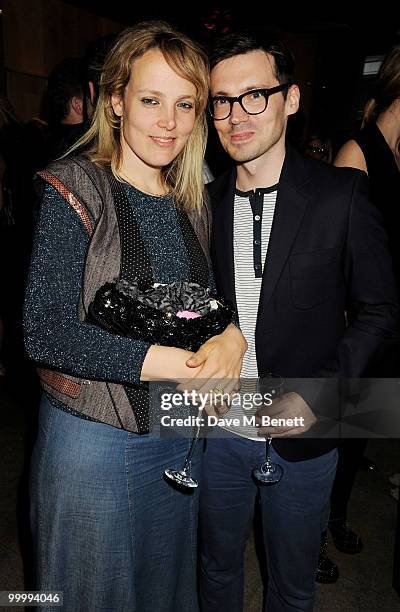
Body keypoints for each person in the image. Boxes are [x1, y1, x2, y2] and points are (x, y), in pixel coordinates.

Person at [24, 21, 246, 612]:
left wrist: (229, 335)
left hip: (175, 436)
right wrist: (163, 360)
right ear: (116, 99)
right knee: (88, 594)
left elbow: (200, 303)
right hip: (92, 437)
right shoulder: (75, 186)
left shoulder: (189, 203)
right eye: (150, 100)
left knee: (162, 592)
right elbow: (44, 330)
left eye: (185, 105)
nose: (168, 122)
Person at [197, 29, 399, 611]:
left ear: (290, 99)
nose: (236, 115)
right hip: (218, 436)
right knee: (214, 571)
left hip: (307, 437)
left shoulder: (342, 195)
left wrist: (322, 396)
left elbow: (380, 311)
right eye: (222, 101)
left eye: (255, 95)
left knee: (291, 588)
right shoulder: (199, 206)